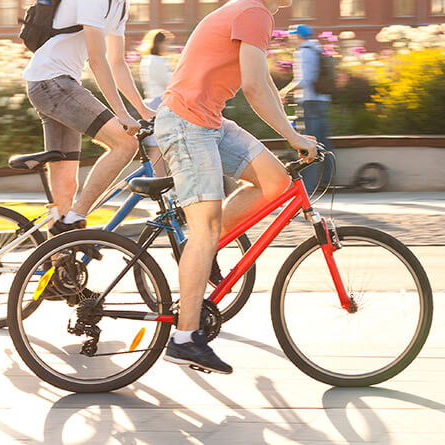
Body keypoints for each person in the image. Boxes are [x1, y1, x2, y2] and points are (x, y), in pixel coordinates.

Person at [155, 0, 317, 374]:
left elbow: (266, 87)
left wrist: (295, 132)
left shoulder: (253, 12)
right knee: (205, 228)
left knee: (277, 182)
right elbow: (254, 87)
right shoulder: (254, 12)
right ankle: (184, 338)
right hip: (186, 124)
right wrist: (292, 137)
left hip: (209, 122)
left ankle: (205, 249)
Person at [23, 0, 155, 234]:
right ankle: (77, 217)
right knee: (125, 144)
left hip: (57, 83)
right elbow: (97, 59)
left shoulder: (120, 6)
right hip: (52, 82)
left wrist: (143, 111)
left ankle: (57, 260)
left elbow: (117, 63)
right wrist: (121, 113)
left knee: (66, 185)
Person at [279, 24, 334, 194]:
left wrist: (284, 91)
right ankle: (327, 182)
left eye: (293, 36)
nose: (291, 39)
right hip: (322, 101)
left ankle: (308, 187)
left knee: (308, 145)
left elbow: (303, 80)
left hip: (309, 103)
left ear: (299, 36)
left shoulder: (303, 51)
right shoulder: (318, 49)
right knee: (323, 143)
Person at [137, 29, 174, 175]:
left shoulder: (147, 60)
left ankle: (155, 177)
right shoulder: (157, 61)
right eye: (166, 43)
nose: (167, 47)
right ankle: (157, 178)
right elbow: (169, 82)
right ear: (159, 43)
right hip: (159, 103)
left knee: (157, 146)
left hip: (151, 101)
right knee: (159, 147)